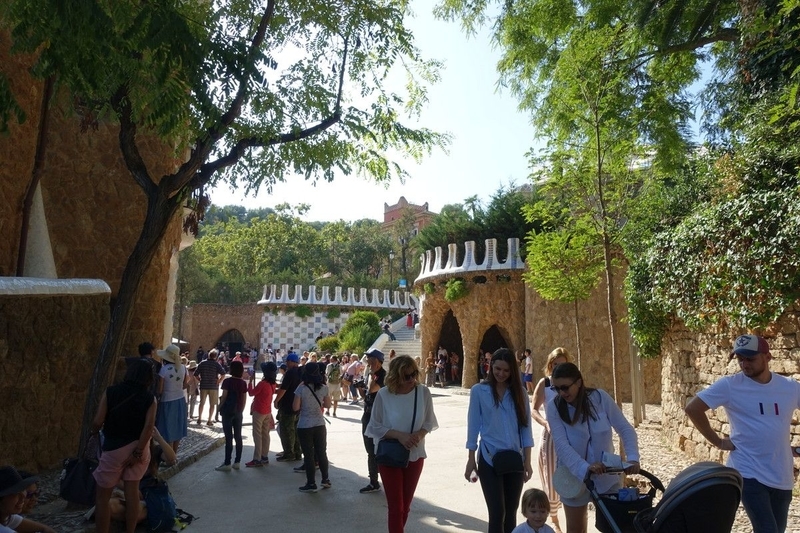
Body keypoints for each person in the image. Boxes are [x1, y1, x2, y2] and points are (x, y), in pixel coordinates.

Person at [685, 334, 800, 533]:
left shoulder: (789, 387)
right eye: (740, 359)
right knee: (767, 529)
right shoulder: (730, 385)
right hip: (747, 471)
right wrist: (718, 442)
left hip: (782, 473)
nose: (744, 364)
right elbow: (693, 408)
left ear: (767, 357)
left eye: (750, 359)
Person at [546, 362, 639, 533]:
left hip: (607, 476)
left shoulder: (600, 398)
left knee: (614, 526)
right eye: (556, 388)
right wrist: (585, 468)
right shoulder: (554, 407)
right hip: (573, 477)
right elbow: (561, 445)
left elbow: (625, 428)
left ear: (579, 382)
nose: (561, 393)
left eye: (565, 387)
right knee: (576, 530)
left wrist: (633, 457)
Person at [366, 355, 438, 533]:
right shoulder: (384, 394)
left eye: (414, 374)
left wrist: (419, 435)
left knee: (405, 506)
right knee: (396, 508)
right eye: (406, 376)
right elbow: (374, 426)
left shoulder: (423, 392)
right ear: (396, 376)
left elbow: (429, 422)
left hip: (415, 454)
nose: (412, 379)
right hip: (389, 455)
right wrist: (400, 436)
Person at [465, 348, 534, 533]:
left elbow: (526, 429)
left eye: (506, 370)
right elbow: (473, 427)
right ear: (490, 367)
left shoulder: (519, 392)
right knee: (497, 512)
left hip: (514, 458)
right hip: (489, 457)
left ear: (512, 370)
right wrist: (471, 459)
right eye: (497, 369)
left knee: (511, 512)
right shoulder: (479, 391)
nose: (501, 374)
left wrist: (527, 460)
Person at [91, 359, 157, 533]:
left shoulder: (110, 392)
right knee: (132, 492)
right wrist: (138, 451)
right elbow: (149, 427)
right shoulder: (150, 398)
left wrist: (95, 428)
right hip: (139, 449)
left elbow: (98, 421)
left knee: (102, 498)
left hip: (114, 448)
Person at [531, 347, 571, 533]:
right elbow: (534, 409)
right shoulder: (545, 384)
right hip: (551, 437)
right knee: (552, 479)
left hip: (572, 436)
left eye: (562, 364)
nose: (558, 367)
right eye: (555, 364)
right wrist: (545, 423)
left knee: (571, 478)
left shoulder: (573, 383)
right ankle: (554, 519)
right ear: (550, 365)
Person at [293, 363, 332, 492]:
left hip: (304, 425)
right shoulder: (324, 388)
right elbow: (327, 405)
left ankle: (311, 483)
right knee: (322, 453)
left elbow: (295, 407)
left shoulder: (301, 388)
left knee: (308, 455)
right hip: (320, 424)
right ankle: (325, 479)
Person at [359, 348, 387, 494]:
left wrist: (371, 374)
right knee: (370, 450)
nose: (368, 363)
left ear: (377, 362)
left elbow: (372, 389)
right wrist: (359, 388)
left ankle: (378, 481)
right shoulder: (371, 374)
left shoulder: (381, 375)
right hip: (368, 415)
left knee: (377, 450)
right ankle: (373, 481)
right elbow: (366, 396)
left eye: (371, 360)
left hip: (377, 419)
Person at [0, 467, 55, 533]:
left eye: (23, 491)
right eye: (16, 494)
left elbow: (46, 529)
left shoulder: (6, 516)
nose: (23, 497)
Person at [215, 361, 248, 471]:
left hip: (227, 411)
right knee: (238, 437)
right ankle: (237, 461)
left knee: (228, 437)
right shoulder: (243, 383)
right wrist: (240, 410)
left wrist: (218, 409)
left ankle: (227, 462)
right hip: (238, 411)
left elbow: (224, 397)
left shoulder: (227, 382)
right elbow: (244, 399)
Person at [155, 344, 188, 453]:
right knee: (177, 427)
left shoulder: (164, 370)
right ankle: (174, 453)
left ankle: (168, 457)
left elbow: (160, 389)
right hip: (180, 400)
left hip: (167, 400)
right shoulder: (183, 368)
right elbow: (185, 385)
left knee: (167, 428)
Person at [274, 352, 303, 462]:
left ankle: (288, 454)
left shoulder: (290, 373)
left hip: (287, 405)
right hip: (298, 405)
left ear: (292, 362)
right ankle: (297, 452)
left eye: (287, 361)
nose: (286, 363)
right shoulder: (301, 372)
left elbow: (284, 389)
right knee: (295, 431)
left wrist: (276, 400)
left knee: (286, 431)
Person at [246, 362, 277, 467]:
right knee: (265, 434)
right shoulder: (273, 384)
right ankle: (264, 456)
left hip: (259, 411)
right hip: (268, 411)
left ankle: (257, 459)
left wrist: (249, 382)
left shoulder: (263, 383)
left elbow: (251, 393)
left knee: (257, 435)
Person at [194, 349, 226, 426]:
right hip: (213, 386)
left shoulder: (202, 363)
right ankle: (209, 420)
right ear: (215, 356)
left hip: (203, 385)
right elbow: (223, 374)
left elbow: (195, 374)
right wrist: (219, 381)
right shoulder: (216, 364)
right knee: (212, 404)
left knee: (202, 403)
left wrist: (200, 380)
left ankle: (200, 418)